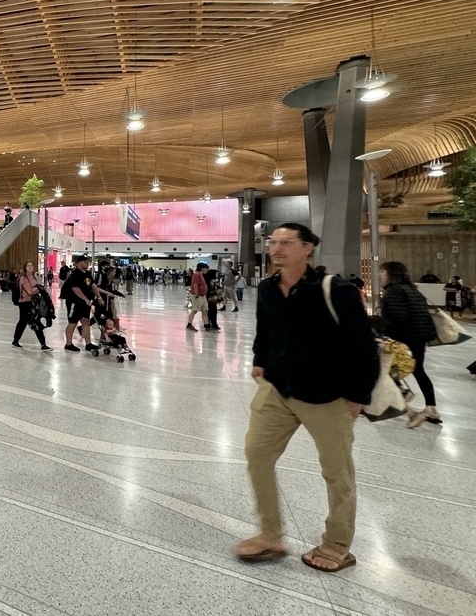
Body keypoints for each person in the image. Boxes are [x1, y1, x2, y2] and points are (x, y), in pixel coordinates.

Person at [234, 223, 378, 573]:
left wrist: (357, 396)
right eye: (274, 242)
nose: (277, 248)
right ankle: (270, 534)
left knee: (336, 472)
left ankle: (336, 545)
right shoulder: (268, 288)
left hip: (327, 395)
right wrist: (259, 361)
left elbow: (363, 344)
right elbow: (266, 330)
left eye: (287, 242)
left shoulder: (335, 290)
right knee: (257, 454)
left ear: (308, 248)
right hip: (279, 388)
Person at [380, 261, 440, 428]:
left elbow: (397, 318)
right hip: (420, 337)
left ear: (390, 273)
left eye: (382, 272)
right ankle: (431, 408)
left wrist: (385, 337)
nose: (380, 275)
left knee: (382, 370)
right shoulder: (412, 290)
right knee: (419, 370)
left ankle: (406, 406)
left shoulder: (393, 291)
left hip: (405, 338)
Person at [62, 255, 103, 354]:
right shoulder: (75, 274)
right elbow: (75, 289)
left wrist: (99, 297)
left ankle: (88, 344)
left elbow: (93, 286)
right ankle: (68, 344)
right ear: (79, 263)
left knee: (86, 321)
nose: (87, 264)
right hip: (74, 302)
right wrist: (85, 299)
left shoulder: (88, 273)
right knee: (73, 322)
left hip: (86, 303)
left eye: (87, 262)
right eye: (85, 262)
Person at [13, 261, 52, 351]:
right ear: (25, 267)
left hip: (33, 303)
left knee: (36, 322)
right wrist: (38, 288)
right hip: (24, 303)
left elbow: (36, 289)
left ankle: (43, 344)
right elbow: (30, 291)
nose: (30, 267)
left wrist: (37, 289)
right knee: (23, 322)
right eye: (28, 266)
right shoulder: (23, 278)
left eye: (31, 265)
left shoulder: (34, 277)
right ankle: (15, 340)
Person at [185, 263, 211, 331]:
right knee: (194, 310)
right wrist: (196, 294)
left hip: (203, 296)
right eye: (206, 268)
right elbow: (195, 285)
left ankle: (207, 325)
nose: (207, 270)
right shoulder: (197, 275)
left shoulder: (201, 275)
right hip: (198, 296)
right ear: (202, 268)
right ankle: (189, 324)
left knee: (205, 310)